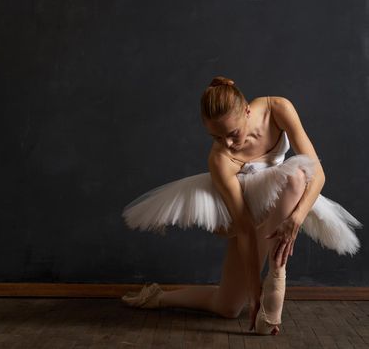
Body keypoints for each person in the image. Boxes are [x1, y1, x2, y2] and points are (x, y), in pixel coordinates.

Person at [120, 76, 363, 335]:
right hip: (252, 212)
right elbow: (245, 228)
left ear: (247, 111)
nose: (227, 143)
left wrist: (296, 219)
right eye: (216, 136)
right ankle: (160, 297)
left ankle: (277, 275)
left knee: (297, 174)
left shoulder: (277, 108)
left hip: (286, 200)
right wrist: (254, 294)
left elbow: (318, 173)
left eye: (232, 133)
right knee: (228, 307)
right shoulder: (219, 159)